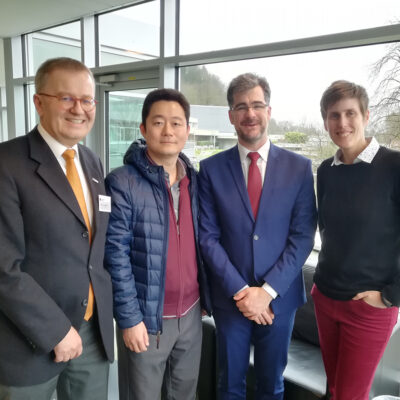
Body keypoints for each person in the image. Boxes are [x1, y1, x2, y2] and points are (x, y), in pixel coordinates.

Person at [0, 57, 114, 400]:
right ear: (39, 102)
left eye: (87, 99)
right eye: (66, 98)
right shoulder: (7, 163)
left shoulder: (92, 162)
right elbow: (4, 268)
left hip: (92, 335)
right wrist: (56, 331)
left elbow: (94, 247)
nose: (79, 109)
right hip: (28, 341)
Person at [198, 73, 317, 400]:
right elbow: (207, 237)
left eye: (257, 105)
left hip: (279, 299)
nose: (250, 113)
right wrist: (242, 292)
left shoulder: (300, 168)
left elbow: (303, 237)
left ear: (269, 110)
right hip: (229, 297)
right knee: (229, 385)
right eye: (241, 107)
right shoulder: (209, 169)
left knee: (271, 385)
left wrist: (266, 292)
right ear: (231, 116)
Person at [104, 88, 212, 400]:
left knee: (184, 395)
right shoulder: (122, 181)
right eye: (158, 122)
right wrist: (129, 319)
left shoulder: (196, 180)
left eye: (177, 123)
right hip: (146, 320)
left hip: (191, 315)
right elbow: (116, 253)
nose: (168, 131)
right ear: (143, 128)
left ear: (188, 131)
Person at [312, 80, 400, 400]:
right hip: (325, 297)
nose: (342, 123)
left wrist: (391, 296)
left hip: (369, 306)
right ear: (325, 122)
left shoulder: (394, 166)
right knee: (333, 390)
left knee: (350, 395)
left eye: (350, 113)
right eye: (334, 115)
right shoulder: (326, 170)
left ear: (365, 115)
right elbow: (328, 230)